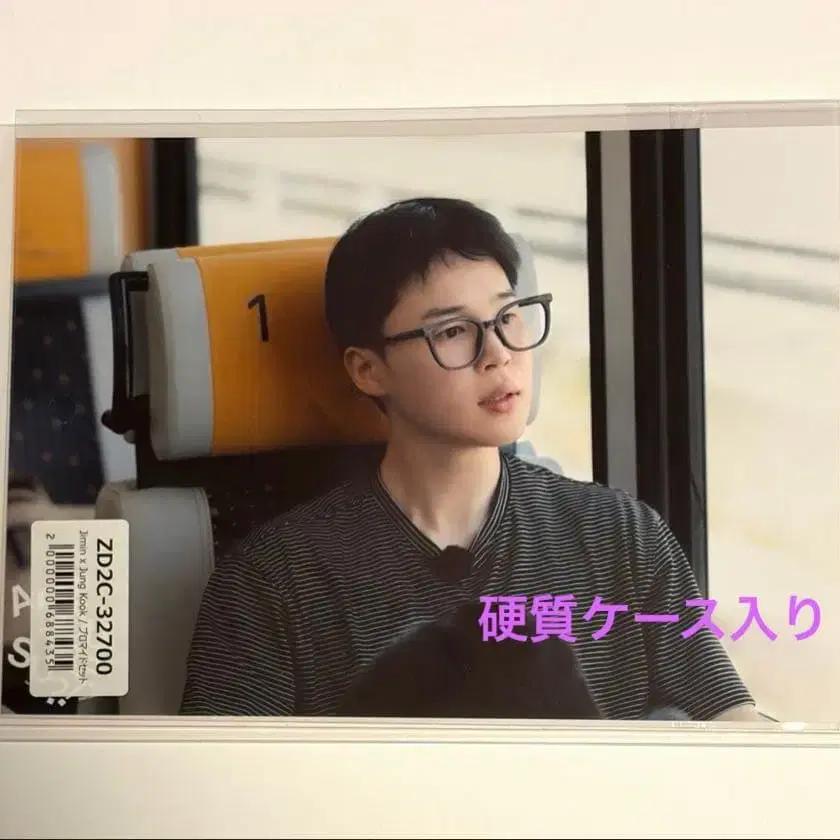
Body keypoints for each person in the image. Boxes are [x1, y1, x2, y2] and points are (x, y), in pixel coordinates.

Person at [180, 197, 760, 722]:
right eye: (454, 331)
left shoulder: (621, 535)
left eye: (508, 317)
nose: (499, 354)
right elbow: (223, 789)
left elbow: (730, 724)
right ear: (368, 370)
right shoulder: (272, 582)